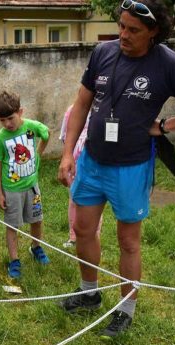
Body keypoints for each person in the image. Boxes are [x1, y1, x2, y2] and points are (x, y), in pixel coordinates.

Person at [57, 0, 175, 338]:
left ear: (154, 33)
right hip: (92, 161)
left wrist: (166, 125)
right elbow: (81, 105)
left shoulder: (171, 64)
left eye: (133, 30)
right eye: (121, 25)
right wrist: (66, 153)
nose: (123, 34)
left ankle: (126, 310)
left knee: (128, 242)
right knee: (84, 229)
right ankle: (89, 291)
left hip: (131, 168)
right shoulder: (102, 52)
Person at [0, 90, 51, 279]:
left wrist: (39, 154)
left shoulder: (32, 127)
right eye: (2, 120)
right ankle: (14, 260)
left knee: (37, 219)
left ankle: (36, 247)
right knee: (12, 225)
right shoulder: (0, 139)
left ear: (21, 112)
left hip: (32, 186)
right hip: (11, 190)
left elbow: (47, 133)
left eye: (10, 118)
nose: (7, 124)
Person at [58, 104, 102, 248]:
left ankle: (94, 237)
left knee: (95, 204)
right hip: (75, 167)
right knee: (74, 201)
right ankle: (73, 236)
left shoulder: (105, 110)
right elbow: (65, 137)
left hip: (96, 168)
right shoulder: (72, 110)